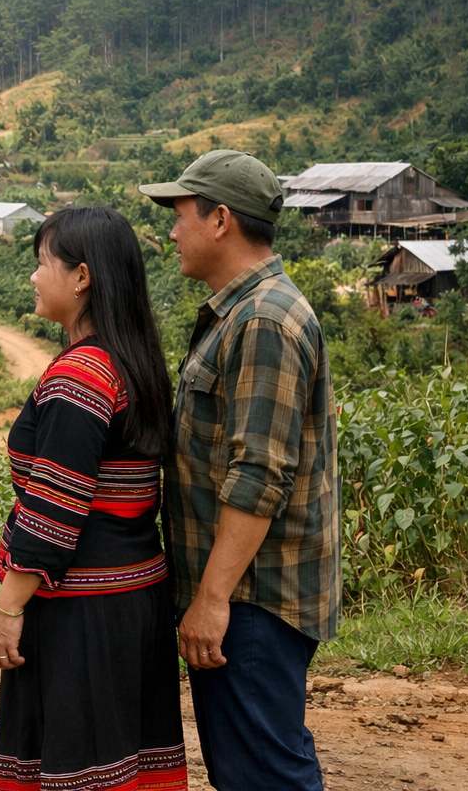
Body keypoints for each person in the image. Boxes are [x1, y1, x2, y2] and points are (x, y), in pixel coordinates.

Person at [140, 150, 339, 790]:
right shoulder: (248, 311)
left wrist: (213, 598)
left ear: (220, 218)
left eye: (180, 216)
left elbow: (258, 474)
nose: (172, 232)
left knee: (265, 776)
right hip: (249, 595)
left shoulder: (263, 321)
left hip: (252, 599)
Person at [0, 206, 187, 791]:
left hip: (82, 612)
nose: (33, 277)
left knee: (80, 768)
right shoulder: (134, 361)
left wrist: (8, 609)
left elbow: (53, 510)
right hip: (135, 599)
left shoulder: (80, 377)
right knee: (124, 764)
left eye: (42, 263)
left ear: (81, 276)